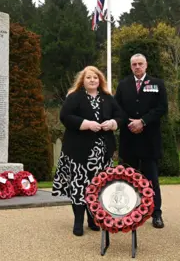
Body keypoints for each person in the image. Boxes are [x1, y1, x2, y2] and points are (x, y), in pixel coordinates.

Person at [52, 66, 124, 236]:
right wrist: (86, 124)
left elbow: (121, 116)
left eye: (95, 78)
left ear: (100, 81)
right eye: (88, 77)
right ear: (82, 81)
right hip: (79, 151)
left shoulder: (108, 98)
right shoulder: (74, 97)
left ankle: (94, 218)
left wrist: (113, 123)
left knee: (98, 186)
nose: (92, 80)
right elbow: (65, 117)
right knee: (79, 185)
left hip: (102, 152)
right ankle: (78, 220)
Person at [114, 53, 168, 229]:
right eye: (134, 64)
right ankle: (129, 211)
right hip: (129, 138)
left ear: (146, 65)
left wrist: (143, 121)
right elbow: (117, 108)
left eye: (140, 64)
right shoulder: (123, 85)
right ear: (131, 66)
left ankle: (156, 213)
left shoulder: (157, 84)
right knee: (128, 178)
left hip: (149, 139)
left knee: (151, 178)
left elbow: (161, 108)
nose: (137, 67)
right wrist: (129, 122)